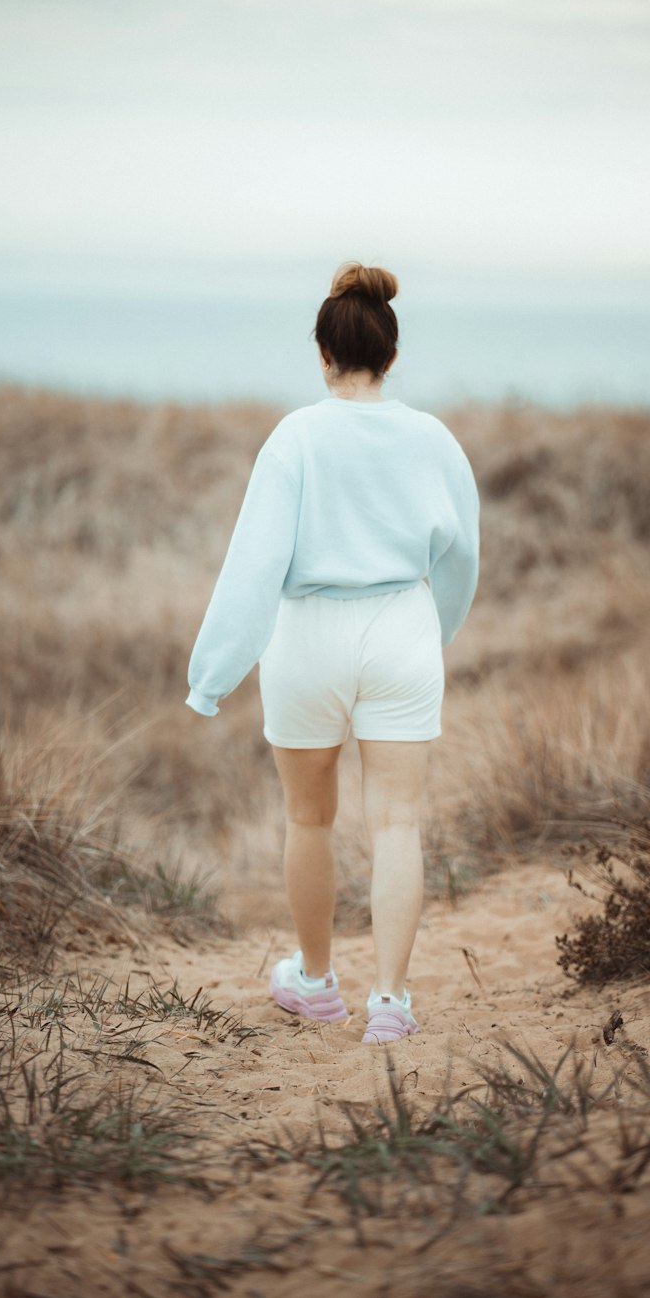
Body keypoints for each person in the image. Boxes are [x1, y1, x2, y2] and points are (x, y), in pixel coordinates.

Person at [186, 262, 479, 1043]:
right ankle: (391, 1002)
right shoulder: (432, 438)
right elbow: (462, 557)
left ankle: (315, 984)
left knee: (309, 820)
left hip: (306, 635)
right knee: (396, 824)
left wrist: (212, 676)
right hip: (401, 631)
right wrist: (433, 634)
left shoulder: (296, 437)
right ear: (390, 355)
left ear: (324, 354)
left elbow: (254, 567)